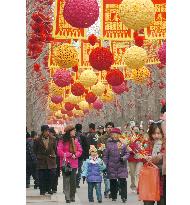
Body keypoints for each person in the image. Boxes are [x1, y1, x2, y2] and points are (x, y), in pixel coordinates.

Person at [103, 128, 130, 203]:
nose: (114, 136)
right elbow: (105, 156)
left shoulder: (123, 143)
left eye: (116, 134)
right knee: (113, 181)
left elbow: (127, 153)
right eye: (113, 134)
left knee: (123, 181)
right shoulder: (108, 144)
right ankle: (114, 196)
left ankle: (124, 197)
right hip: (111, 166)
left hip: (121, 165)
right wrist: (104, 165)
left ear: (119, 135)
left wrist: (124, 158)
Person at [57, 125, 82, 203]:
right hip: (65, 164)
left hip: (74, 163)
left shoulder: (76, 141)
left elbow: (80, 150)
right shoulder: (62, 141)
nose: (74, 132)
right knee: (66, 180)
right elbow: (59, 151)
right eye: (73, 131)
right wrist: (69, 154)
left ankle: (72, 196)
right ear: (69, 132)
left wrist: (76, 154)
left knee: (73, 181)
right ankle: (67, 197)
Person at [143, 122, 165, 205]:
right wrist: (146, 157)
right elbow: (144, 155)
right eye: (153, 133)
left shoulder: (165, 144)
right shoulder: (148, 143)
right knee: (148, 201)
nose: (156, 136)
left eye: (158, 133)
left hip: (162, 177)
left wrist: (159, 156)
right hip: (150, 177)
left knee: (162, 200)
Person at [33, 125, 57, 195]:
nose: (47, 132)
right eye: (46, 131)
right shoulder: (37, 140)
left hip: (51, 160)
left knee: (51, 175)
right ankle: (42, 190)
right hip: (41, 160)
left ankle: (49, 189)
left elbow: (55, 149)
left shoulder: (53, 139)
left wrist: (54, 156)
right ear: (42, 131)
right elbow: (34, 150)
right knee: (41, 176)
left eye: (48, 131)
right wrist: (38, 157)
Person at [97, 122, 114, 198]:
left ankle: (112, 191)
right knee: (106, 177)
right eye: (108, 127)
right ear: (106, 128)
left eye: (111, 127)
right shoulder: (101, 138)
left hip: (114, 160)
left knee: (113, 177)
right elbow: (99, 150)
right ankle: (107, 190)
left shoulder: (117, 138)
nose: (110, 128)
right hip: (105, 159)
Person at [128, 125, 144, 193]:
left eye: (138, 129)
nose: (136, 131)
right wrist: (132, 151)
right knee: (132, 174)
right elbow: (127, 147)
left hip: (140, 158)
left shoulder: (142, 138)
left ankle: (139, 187)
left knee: (138, 173)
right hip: (131, 158)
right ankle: (133, 186)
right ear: (132, 130)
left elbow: (145, 147)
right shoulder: (129, 138)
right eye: (135, 129)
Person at [75, 123, 89, 188]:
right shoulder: (83, 136)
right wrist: (86, 156)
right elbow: (86, 147)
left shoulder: (73, 135)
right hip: (80, 155)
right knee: (79, 169)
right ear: (81, 128)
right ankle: (77, 183)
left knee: (73, 168)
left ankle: (73, 181)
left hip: (73, 155)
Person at [49, 127, 59, 193]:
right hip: (52, 158)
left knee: (54, 174)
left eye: (49, 132)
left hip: (56, 158)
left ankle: (54, 188)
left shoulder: (56, 139)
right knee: (53, 174)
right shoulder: (50, 139)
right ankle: (52, 187)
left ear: (52, 133)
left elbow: (56, 149)